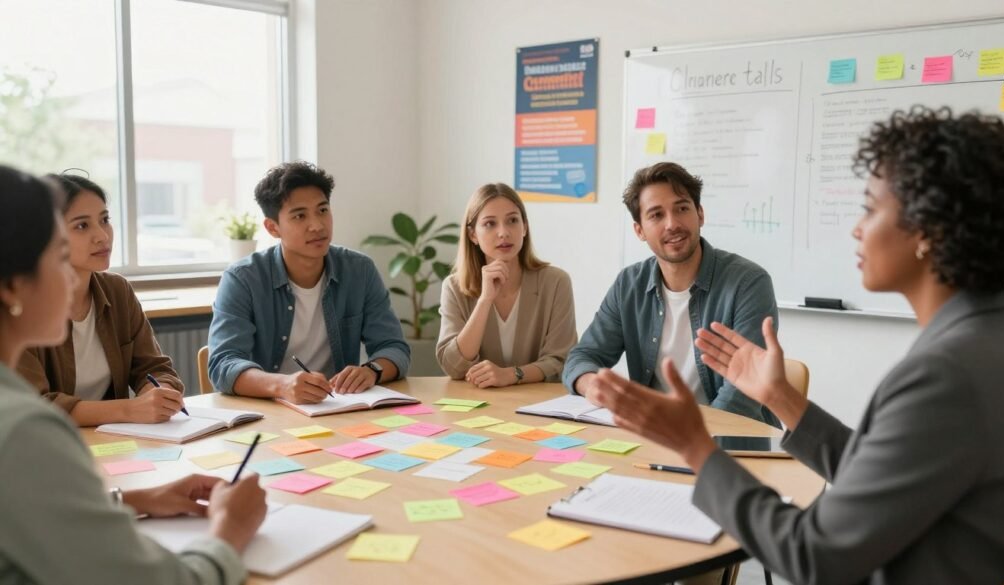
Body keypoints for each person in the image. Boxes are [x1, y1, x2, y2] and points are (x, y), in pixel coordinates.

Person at [589, 107, 1004, 584]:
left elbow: (815, 557)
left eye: (871, 208)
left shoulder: (945, 376)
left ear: (927, 229)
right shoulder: (995, 340)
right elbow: (873, 476)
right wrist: (783, 400)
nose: (857, 228)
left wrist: (695, 448)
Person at [0, 164, 267, 584]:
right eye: (59, 256)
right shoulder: (24, 430)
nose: (71, 276)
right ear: (13, 286)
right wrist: (231, 528)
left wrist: (133, 498)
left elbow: (29, 512)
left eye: (105, 220)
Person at [564, 161, 779, 425]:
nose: (672, 224)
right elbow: (583, 356)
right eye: (656, 215)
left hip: (729, 443)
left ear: (700, 214)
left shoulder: (748, 282)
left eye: (682, 208)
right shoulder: (629, 284)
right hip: (654, 437)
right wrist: (590, 384)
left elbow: (743, 394)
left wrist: (690, 441)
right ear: (639, 230)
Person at [208, 161, 410, 403]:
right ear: (273, 228)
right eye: (300, 215)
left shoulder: (359, 270)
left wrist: (371, 371)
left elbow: (394, 347)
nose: (317, 225)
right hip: (270, 411)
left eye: (323, 210)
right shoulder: (242, 279)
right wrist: (281, 385)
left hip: (338, 407)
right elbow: (223, 363)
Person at [17, 172, 187, 426]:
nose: (103, 236)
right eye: (82, 226)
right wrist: (129, 410)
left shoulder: (117, 290)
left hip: (112, 442)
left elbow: (154, 368)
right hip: (46, 443)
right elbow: (33, 406)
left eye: (104, 220)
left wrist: (157, 393)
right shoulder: (18, 305)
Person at [437, 183, 576, 387]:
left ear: (525, 227)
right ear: (472, 235)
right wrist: (485, 300)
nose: (503, 233)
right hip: (476, 407)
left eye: (512, 220)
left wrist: (512, 375)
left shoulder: (556, 282)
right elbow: (453, 366)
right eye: (490, 224)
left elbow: (562, 362)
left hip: (538, 405)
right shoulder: (454, 287)